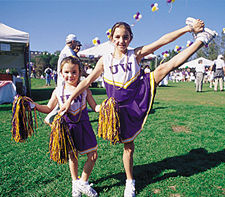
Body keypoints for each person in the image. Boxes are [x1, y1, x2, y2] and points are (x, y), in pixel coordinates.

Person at [59, 18, 217, 197]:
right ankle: (104, 181)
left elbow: (162, 41)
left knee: (166, 68)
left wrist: (188, 29)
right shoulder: (105, 60)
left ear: (130, 38)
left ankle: (129, 182)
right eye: (117, 37)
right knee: (126, 147)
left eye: (125, 37)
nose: (121, 41)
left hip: (135, 99)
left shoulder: (135, 54)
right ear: (111, 38)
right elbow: (87, 81)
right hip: (117, 110)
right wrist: (69, 99)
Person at [34, 57, 100, 197]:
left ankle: (83, 182)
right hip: (67, 127)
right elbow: (48, 107)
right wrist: (33, 106)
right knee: (72, 156)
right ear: (61, 73)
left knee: (93, 155)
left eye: (74, 72)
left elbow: (94, 107)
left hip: (84, 126)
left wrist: (104, 107)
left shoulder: (85, 89)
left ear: (80, 72)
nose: (71, 75)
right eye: (67, 72)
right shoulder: (58, 90)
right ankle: (74, 183)